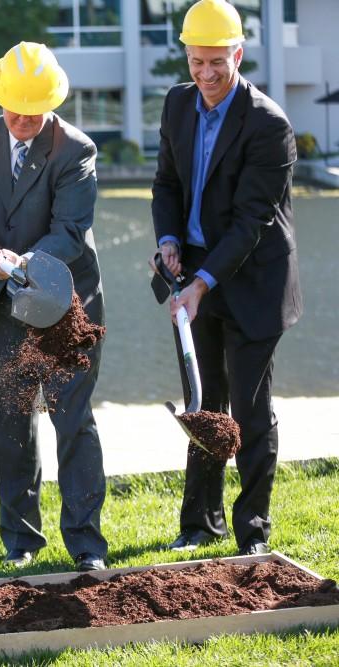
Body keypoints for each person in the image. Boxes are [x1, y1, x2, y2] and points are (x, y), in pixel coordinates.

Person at [0, 42, 108, 573]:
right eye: (14, 109)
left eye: (33, 111)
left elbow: (70, 233)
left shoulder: (75, 149)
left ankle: (85, 544)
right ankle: (21, 541)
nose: (22, 119)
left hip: (64, 307)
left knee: (72, 421)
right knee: (8, 423)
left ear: (52, 102)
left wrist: (20, 261)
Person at [150, 0, 301, 555]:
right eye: (197, 62)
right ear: (186, 57)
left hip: (253, 281)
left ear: (238, 54)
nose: (207, 73)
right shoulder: (177, 105)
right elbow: (166, 184)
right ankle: (199, 524)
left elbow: (250, 223)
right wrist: (168, 241)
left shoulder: (268, 124)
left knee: (250, 410)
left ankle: (252, 533)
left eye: (218, 61)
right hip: (192, 274)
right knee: (202, 403)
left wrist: (202, 283)